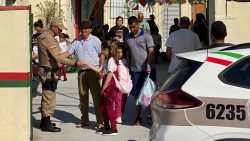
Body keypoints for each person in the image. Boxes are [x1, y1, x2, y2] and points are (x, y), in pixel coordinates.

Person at [37, 19, 84, 132]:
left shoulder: (48, 36)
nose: (60, 30)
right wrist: (75, 63)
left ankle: (45, 121)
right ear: (53, 27)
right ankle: (46, 123)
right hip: (48, 71)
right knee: (49, 97)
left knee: (49, 96)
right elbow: (58, 57)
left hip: (49, 70)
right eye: (59, 28)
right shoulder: (47, 38)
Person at [62, 21, 104, 129]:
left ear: (90, 29)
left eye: (86, 28)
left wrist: (101, 69)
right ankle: (84, 120)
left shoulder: (95, 40)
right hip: (81, 73)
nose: (83, 30)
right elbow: (68, 53)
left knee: (97, 98)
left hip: (93, 72)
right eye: (82, 28)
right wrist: (57, 56)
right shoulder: (77, 41)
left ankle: (101, 121)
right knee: (83, 97)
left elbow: (102, 54)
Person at [84, 40, 120, 135]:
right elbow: (99, 69)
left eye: (103, 49)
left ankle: (113, 128)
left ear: (107, 49)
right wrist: (88, 64)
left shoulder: (111, 60)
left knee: (109, 107)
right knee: (102, 106)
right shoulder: (107, 60)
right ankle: (107, 126)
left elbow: (109, 75)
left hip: (110, 85)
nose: (101, 51)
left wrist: (104, 87)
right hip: (106, 84)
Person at [125, 16, 155, 126]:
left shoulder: (147, 36)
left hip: (147, 71)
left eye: (133, 27)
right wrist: (128, 67)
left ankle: (150, 115)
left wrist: (148, 64)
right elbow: (128, 53)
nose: (132, 29)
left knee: (147, 95)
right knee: (137, 94)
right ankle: (138, 116)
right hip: (135, 70)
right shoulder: (128, 37)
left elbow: (151, 51)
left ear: (138, 24)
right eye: (130, 28)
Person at [115, 46, 128, 124]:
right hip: (118, 83)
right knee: (118, 99)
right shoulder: (114, 61)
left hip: (125, 84)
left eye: (119, 52)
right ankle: (118, 116)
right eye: (117, 52)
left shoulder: (125, 61)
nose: (118, 54)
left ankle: (121, 114)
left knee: (124, 99)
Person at [31, 33, 41, 98]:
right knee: (35, 80)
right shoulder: (34, 46)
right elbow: (33, 56)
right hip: (36, 64)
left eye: (36, 39)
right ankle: (33, 93)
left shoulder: (41, 45)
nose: (35, 40)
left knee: (39, 80)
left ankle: (34, 92)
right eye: (34, 39)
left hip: (42, 64)